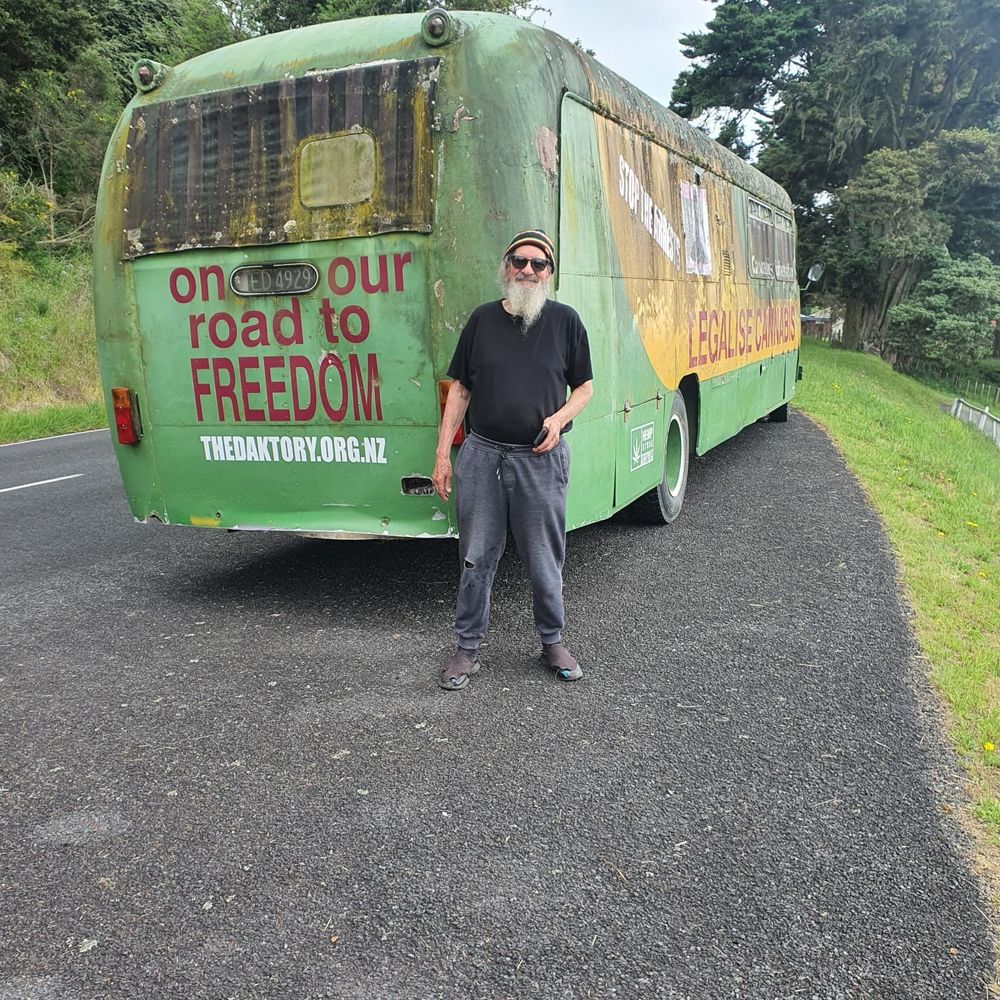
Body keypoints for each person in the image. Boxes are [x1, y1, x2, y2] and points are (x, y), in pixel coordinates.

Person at [431, 229, 594, 691]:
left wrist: (558, 420)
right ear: (506, 267)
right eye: (519, 261)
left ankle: (552, 642)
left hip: (540, 461)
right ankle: (466, 649)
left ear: (549, 273)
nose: (528, 270)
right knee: (475, 557)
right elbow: (461, 390)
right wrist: (443, 454)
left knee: (544, 558)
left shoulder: (565, 322)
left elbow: (584, 388)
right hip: (482, 455)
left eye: (538, 264)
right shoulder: (482, 320)